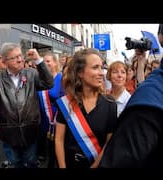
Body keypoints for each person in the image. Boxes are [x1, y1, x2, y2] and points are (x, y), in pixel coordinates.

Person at [98, 24, 163, 168]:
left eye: (122, 72)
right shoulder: (103, 98)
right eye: (115, 72)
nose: (119, 75)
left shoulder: (138, 99)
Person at [0, 42, 54, 168]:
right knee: (15, 163)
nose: (20, 59)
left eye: (20, 55)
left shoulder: (31, 73)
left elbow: (48, 83)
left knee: (31, 163)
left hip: (30, 131)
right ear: (4, 62)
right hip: (9, 133)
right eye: (15, 57)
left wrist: (39, 61)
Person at [55, 48, 117, 168]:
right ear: (80, 73)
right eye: (95, 67)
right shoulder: (66, 103)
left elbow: (109, 143)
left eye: (101, 67)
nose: (101, 73)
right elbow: (59, 139)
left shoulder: (110, 104)